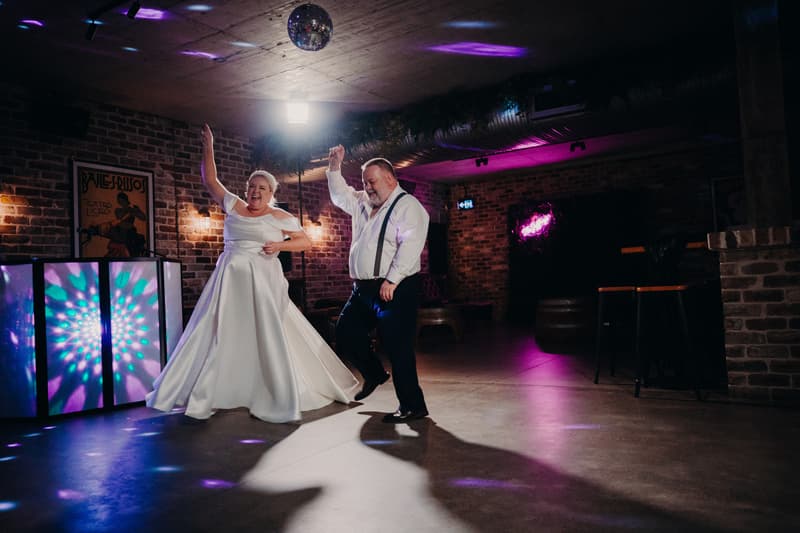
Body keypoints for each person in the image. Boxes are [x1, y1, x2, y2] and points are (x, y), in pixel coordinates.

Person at [146, 124, 358, 422]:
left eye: (262, 188)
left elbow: (305, 241)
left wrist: (279, 245)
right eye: (252, 186)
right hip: (229, 278)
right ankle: (221, 386)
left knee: (265, 329)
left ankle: (274, 386)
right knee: (221, 328)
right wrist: (209, 146)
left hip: (261, 280)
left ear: (271, 193)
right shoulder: (233, 205)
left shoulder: (279, 215)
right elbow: (211, 180)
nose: (255, 191)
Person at [326, 144, 430, 423]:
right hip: (363, 289)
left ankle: (412, 406)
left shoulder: (407, 205)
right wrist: (335, 168)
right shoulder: (362, 202)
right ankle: (373, 373)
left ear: (390, 179)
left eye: (372, 182)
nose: (367, 187)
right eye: (364, 183)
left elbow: (411, 245)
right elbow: (339, 196)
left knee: (398, 347)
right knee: (346, 334)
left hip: (396, 288)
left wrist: (393, 279)